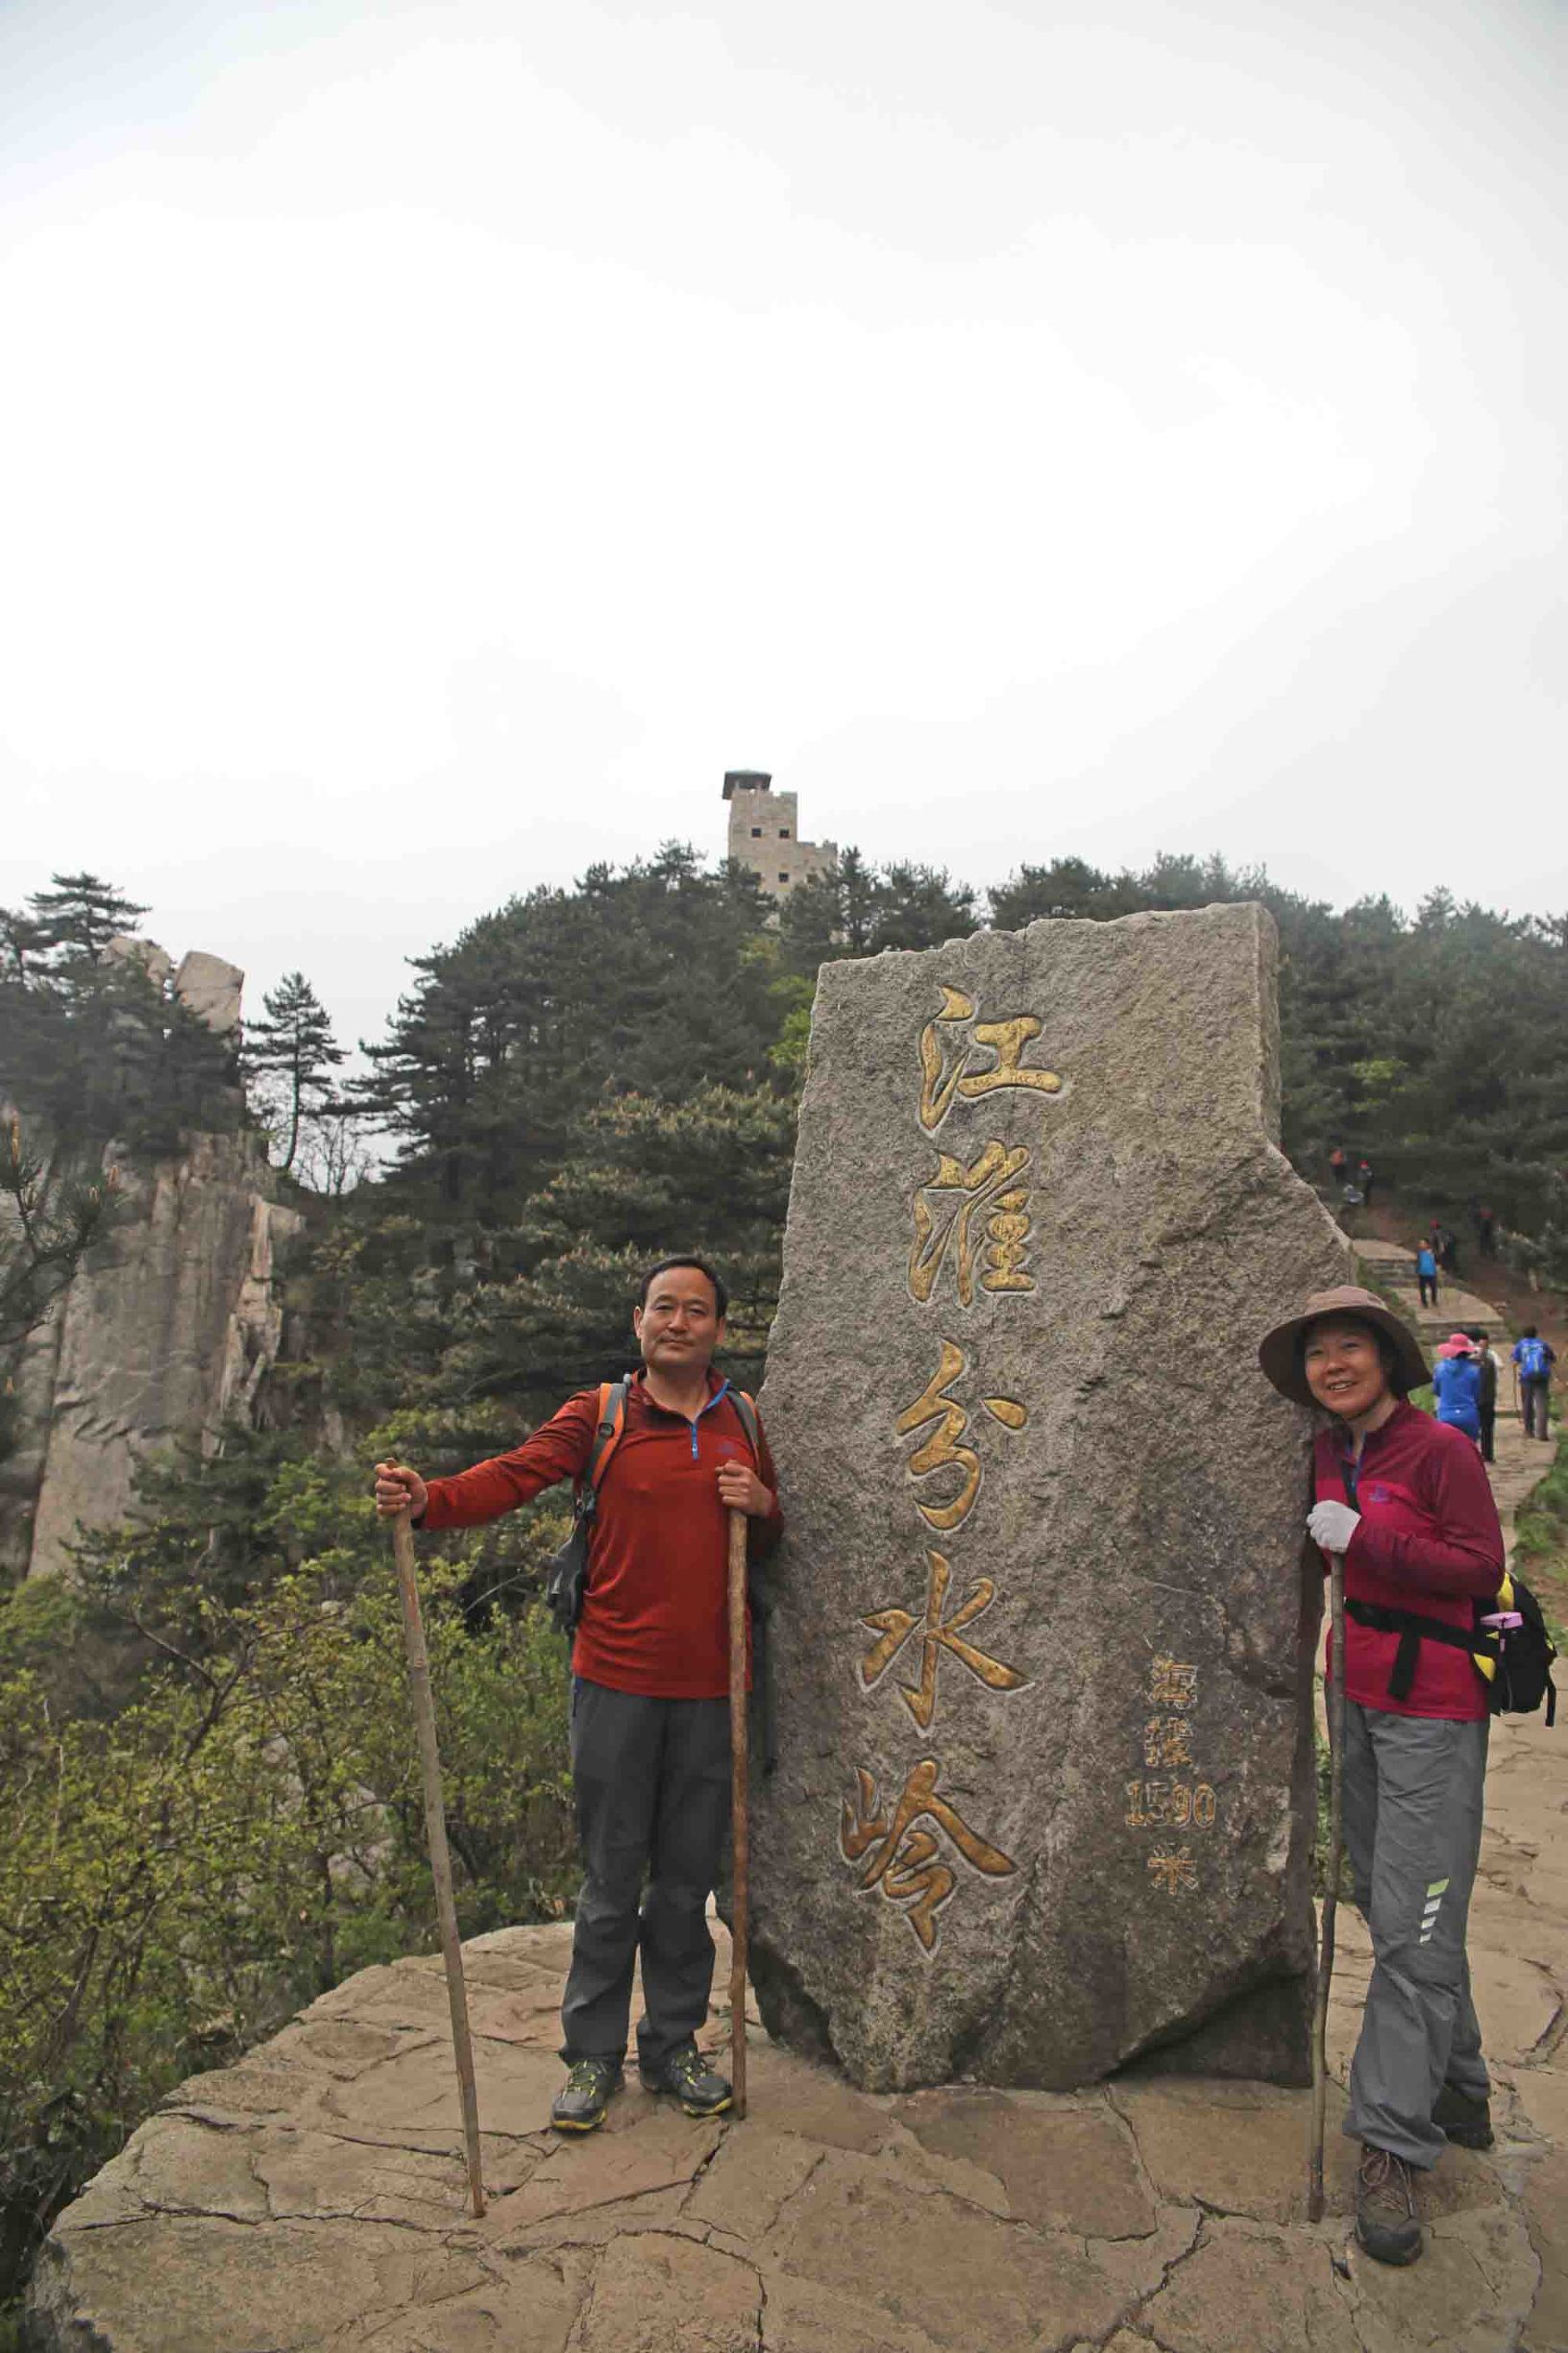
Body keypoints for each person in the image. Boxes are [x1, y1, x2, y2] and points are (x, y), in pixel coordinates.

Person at [374, 1257, 783, 2135]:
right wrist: (429, 1500)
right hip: (614, 1684)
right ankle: (593, 2054)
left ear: (719, 1329)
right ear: (638, 1321)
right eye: (664, 1308)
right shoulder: (598, 1416)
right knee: (610, 1877)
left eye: (698, 1311)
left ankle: (674, 2043)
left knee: (684, 1885)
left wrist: (764, 1502)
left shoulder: (743, 1419)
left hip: (716, 1691)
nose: (679, 1322)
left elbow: (776, 1540)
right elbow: (513, 1476)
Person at [1258, 1286, 1504, 2267]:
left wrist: (1368, 1540)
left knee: (1415, 1920)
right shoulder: (1328, 1450)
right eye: (1319, 1353)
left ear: (1388, 1357)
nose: (1333, 1365)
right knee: (1398, 1902)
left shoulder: (1440, 1450)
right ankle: (1463, 2084)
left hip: (1434, 1712)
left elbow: (1481, 1564)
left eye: (1350, 1346)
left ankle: (1395, 2141)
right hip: (1351, 1695)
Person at [1432, 1334, 1482, 1447]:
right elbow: (1477, 1394)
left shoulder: (1439, 1369)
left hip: (1446, 1415)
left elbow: (1436, 1390)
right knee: (1469, 1450)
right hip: (1468, 1415)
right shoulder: (1474, 1371)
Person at [1511, 1326, 1557, 1441]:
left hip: (1527, 1377)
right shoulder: (1542, 1344)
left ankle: (1529, 1431)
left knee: (1527, 1403)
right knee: (1542, 1403)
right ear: (1536, 1334)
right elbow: (1553, 1358)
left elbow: (1515, 1359)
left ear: (1524, 1334)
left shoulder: (1521, 1345)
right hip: (1542, 1377)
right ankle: (1542, 1433)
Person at [1464, 1328, 1502, 1465]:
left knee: (1471, 1429)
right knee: (1487, 1428)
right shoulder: (1489, 1358)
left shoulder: (1466, 1359)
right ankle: (1488, 1455)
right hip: (1487, 1398)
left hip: (1471, 1398)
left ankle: (1470, 1455)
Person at [1414, 1240, 1439, 1311]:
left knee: (1434, 1288)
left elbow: (1436, 1261)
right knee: (1422, 1289)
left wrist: (1436, 1268)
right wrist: (1417, 1270)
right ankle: (1424, 1302)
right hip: (1422, 1274)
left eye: (1423, 1244)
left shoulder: (1431, 1253)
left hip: (1431, 1273)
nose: (1421, 1245)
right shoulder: (1419, 1253)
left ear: (1427, 1245)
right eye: (1420, 1244)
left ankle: (1434, 1300)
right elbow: (1418, 1262)